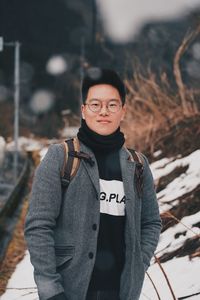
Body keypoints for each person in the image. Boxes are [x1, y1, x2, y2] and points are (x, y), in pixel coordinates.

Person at [25, 68, 162, 300]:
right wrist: (49, 287)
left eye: (112, 105)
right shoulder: (61, 157)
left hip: (122, 292)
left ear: (123, 111)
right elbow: (38, 226)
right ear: (83, 110)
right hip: (69, 290)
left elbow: (151, 222)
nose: (103, 112)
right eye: (95, 105)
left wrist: (139, 262)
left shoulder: (137, 164)